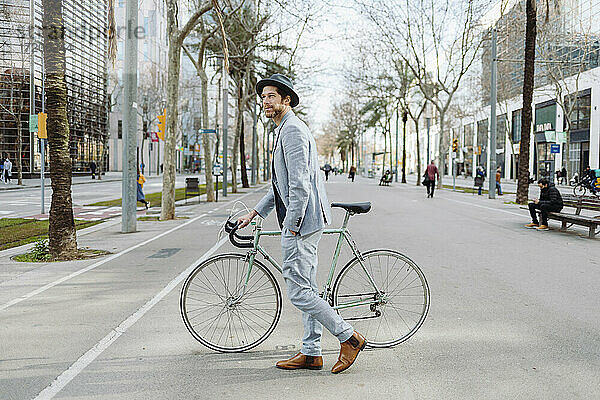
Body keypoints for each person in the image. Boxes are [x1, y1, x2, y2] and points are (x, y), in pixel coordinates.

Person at [237, 73, 366, 374]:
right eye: (263, 96)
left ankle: (349, 337)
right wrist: (255, 212)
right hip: (305, 221)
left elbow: (299, 186)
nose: (265, 101)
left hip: (302, 223)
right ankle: (311, 352)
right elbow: (279, 185)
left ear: (286, 100)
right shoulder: (285, 129)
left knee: (298, 292)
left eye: (271, 96)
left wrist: (292, 225)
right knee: (308, 288)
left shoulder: (292, 130)